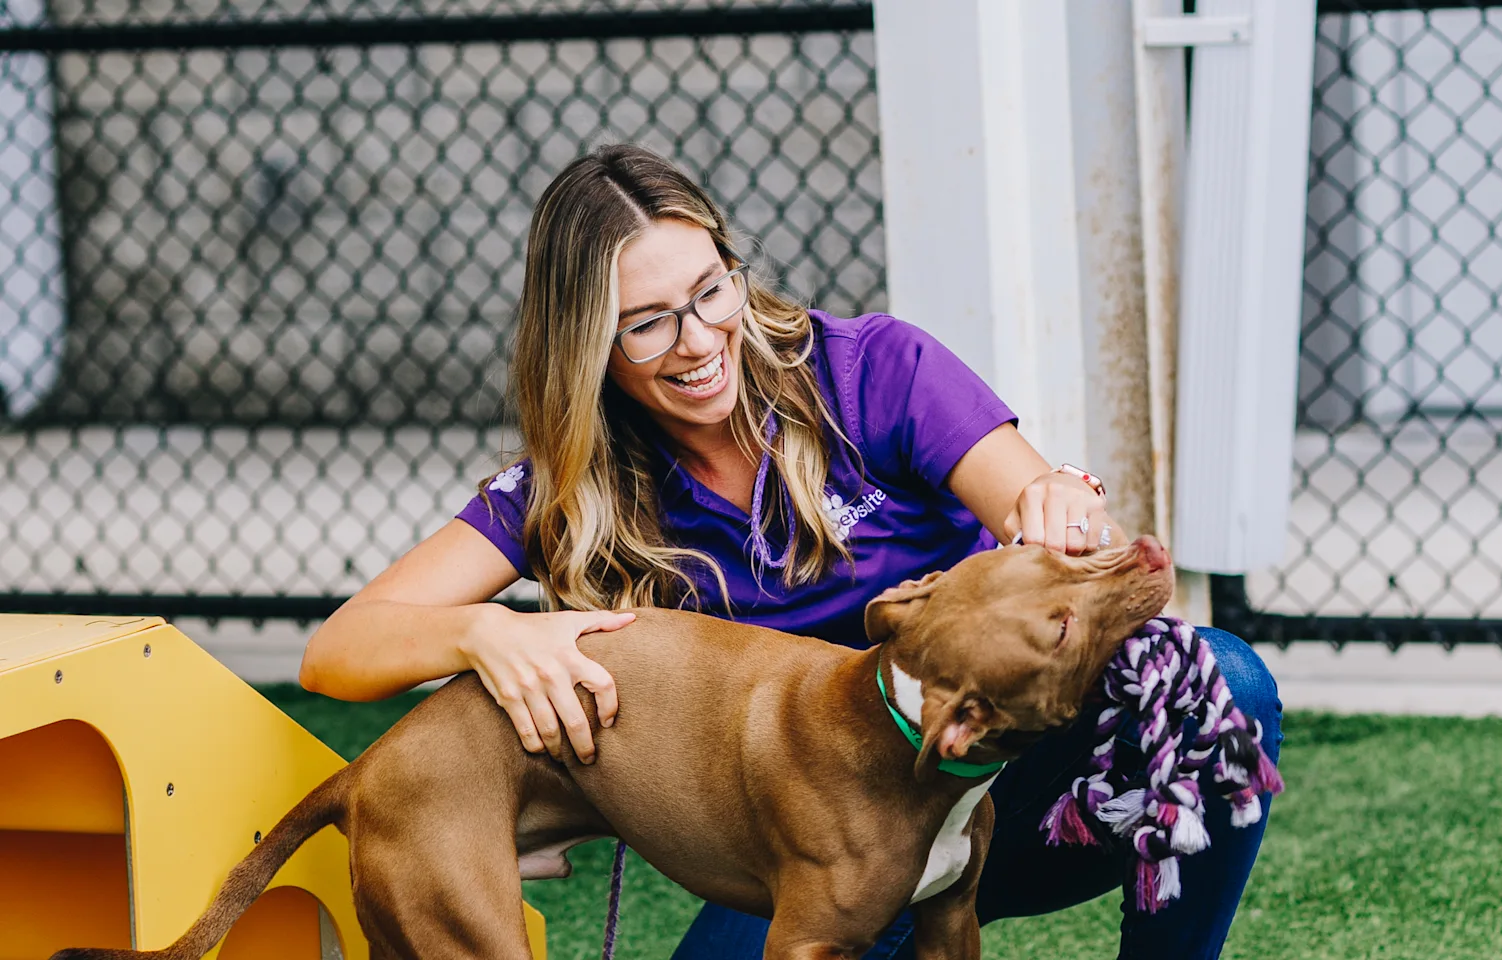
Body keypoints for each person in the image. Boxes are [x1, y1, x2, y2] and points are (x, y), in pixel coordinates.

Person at [300, 143, 1282, 959]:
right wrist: (482, 633)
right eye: (646, 324)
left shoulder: (871, 371)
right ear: (586, 342)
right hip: (814, 848)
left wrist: (1056, 499)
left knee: (1224, 683)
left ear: (734, 269)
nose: (696, 341)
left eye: (709, 291)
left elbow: (1027, 499)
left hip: (998, 792)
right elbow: (340, 649)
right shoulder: (568, 491)